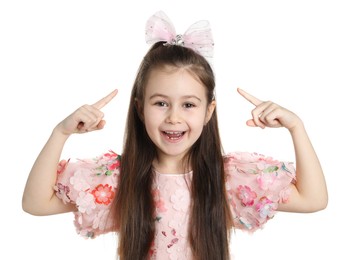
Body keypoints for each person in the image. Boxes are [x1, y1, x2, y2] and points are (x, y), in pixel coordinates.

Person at [22, 11, 328, 260]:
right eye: (161, 103)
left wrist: (296, 127)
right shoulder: (118, 178)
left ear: (209, 112)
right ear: (140, 109)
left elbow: (313, 199)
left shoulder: (228, 177)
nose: (174, 117)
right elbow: (36, 203)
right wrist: (59, 133)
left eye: (189, 104)